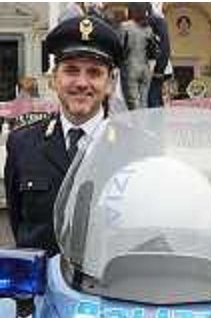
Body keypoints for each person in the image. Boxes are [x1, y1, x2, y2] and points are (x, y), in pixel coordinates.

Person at [4, 14, 122, 255]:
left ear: (110, 82)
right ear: (54, 79)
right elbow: (19, 222)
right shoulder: (22, 144)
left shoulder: (133, 146)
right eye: (71, 70)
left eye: (94, 72)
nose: (82, 83)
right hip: (44, 278)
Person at [120, 2, 155, 109]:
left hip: (130, 66)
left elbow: (120, 47)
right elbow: (152, 50)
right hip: (145, 67)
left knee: (133, 102)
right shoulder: (148, 28)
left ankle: (136, 120)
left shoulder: (125, 26)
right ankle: (143, 120)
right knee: (144, 102)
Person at [145, 3, 172, 108]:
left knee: (153, 99)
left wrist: (159, 70)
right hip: (154, 67)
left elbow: (165, 46)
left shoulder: (157, 21)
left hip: (155, 68)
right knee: (155, 99)